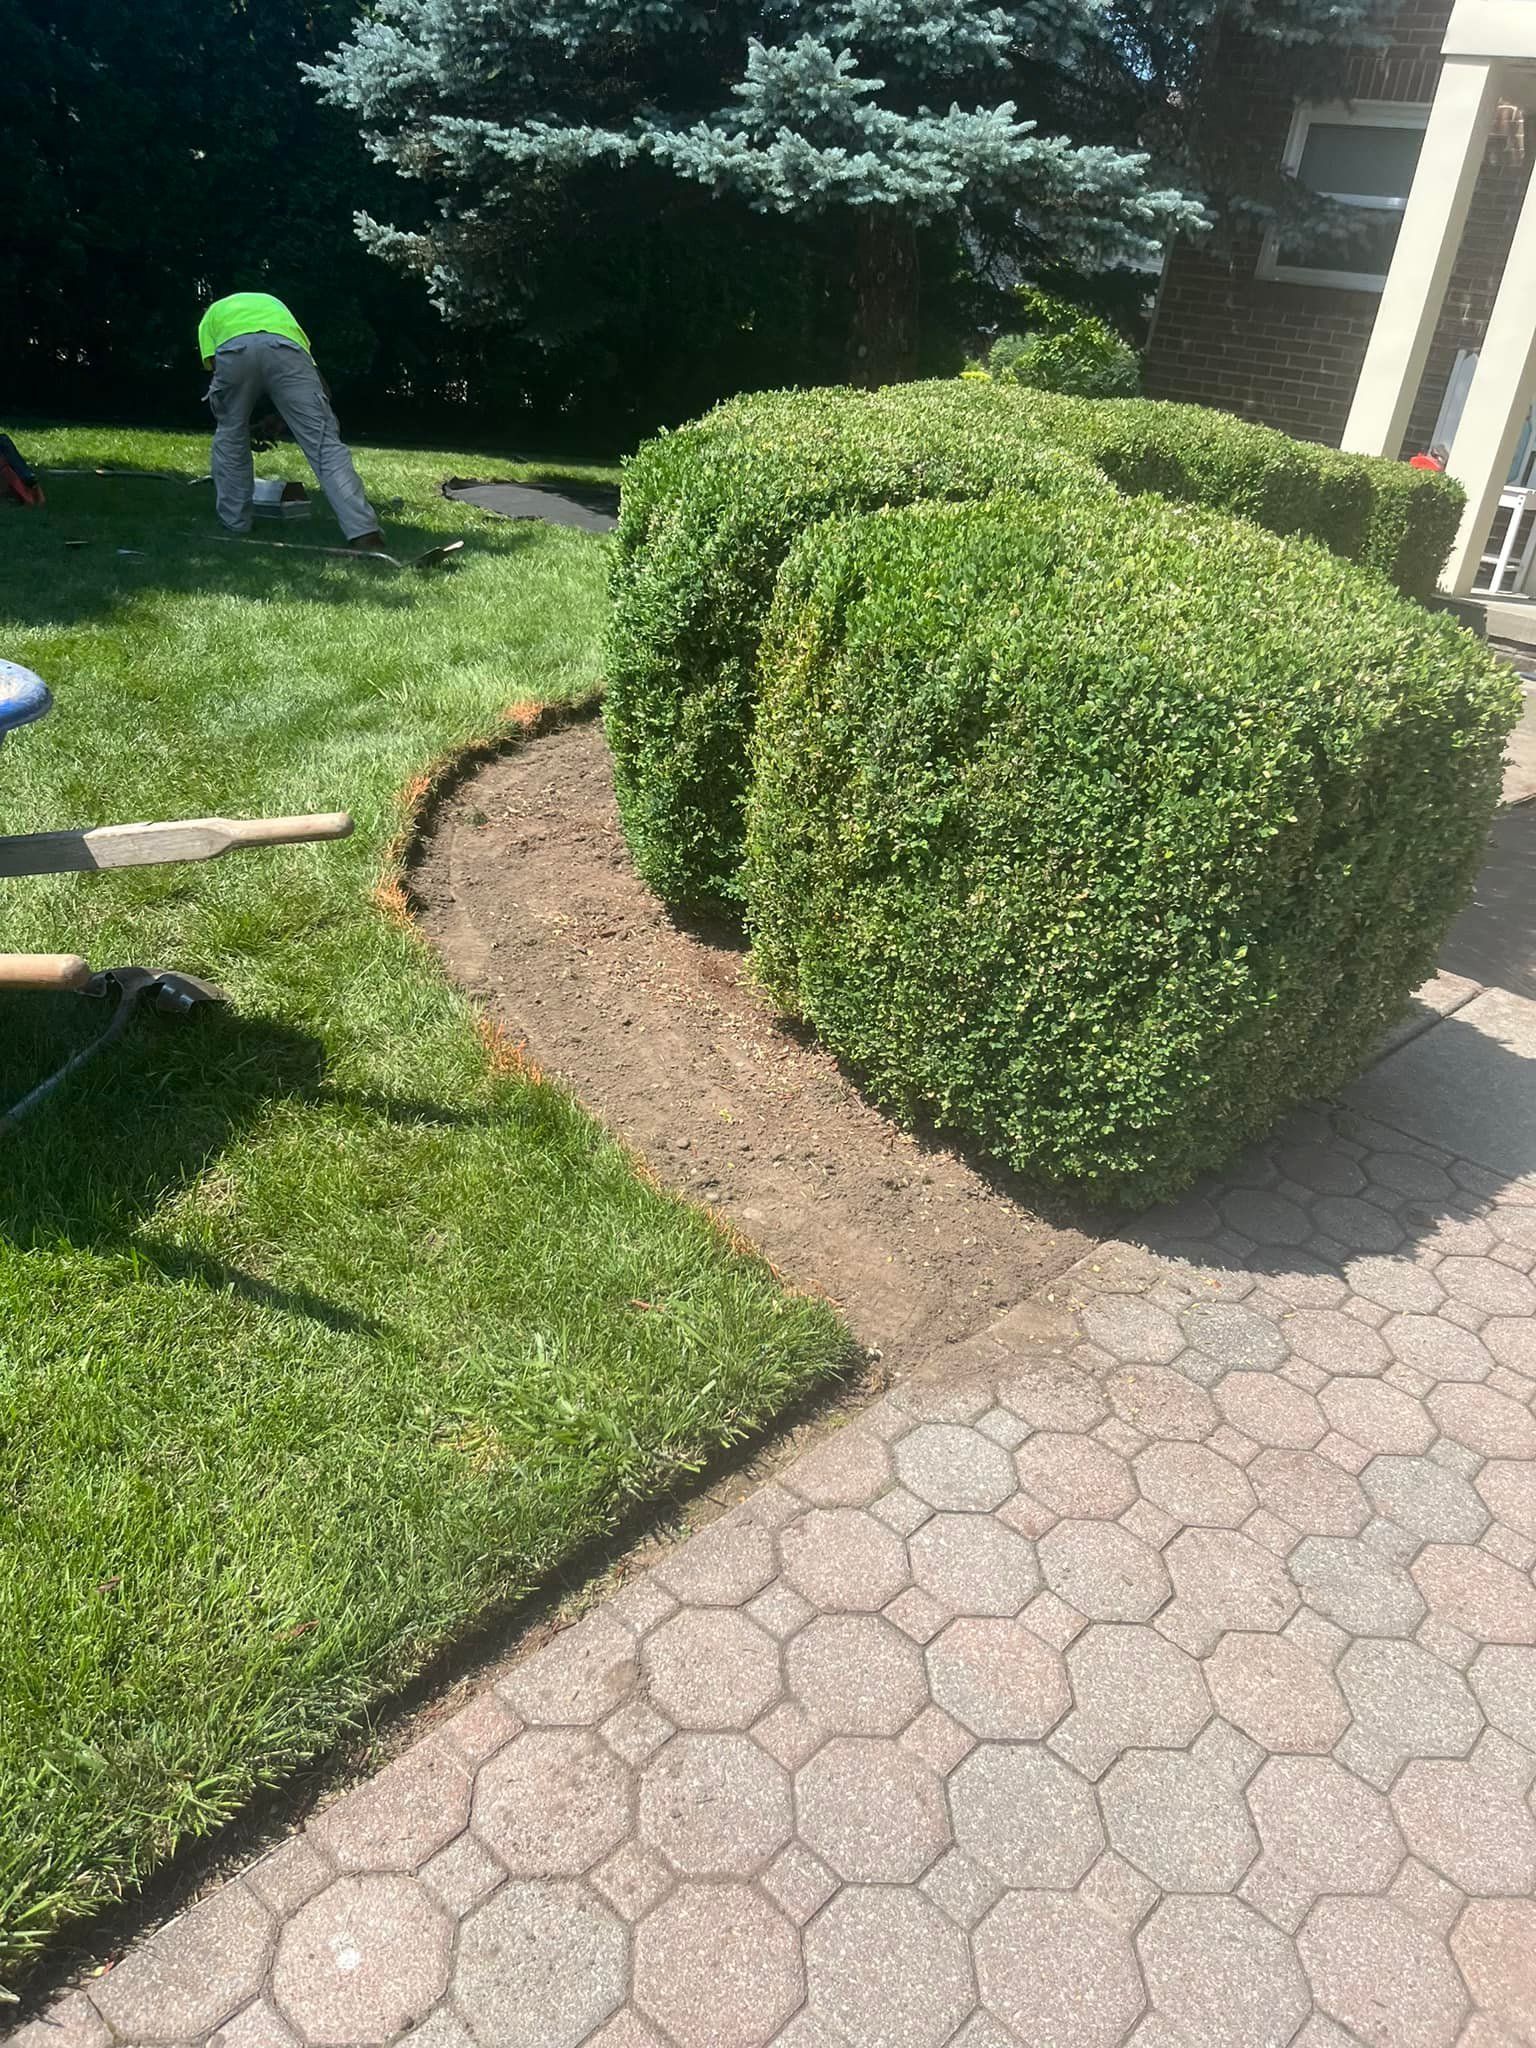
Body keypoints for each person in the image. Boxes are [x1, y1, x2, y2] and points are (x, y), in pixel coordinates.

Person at [198, 292, 383, 548]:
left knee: (230, 434)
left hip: (233, 348)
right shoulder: (278, 312)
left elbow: (226, 374)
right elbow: (321, 388)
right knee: (324, 445)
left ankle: (235, 524)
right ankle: (365, 532)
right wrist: (282, 418)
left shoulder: (211, 317)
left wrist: (244, 425)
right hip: (287, 349)